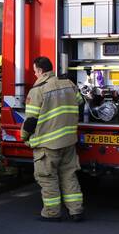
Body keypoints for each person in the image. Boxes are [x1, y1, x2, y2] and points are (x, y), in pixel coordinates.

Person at [20, 56, 84, 222]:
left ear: (41, 71)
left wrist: (24, 136)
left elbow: (31, 120)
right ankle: (76, 211)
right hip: (68, 141)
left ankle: (52, 213)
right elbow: (80, 102)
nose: (35, 75)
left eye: (35, 71)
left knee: (48, 178)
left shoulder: (38, 90)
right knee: (69, 175)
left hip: (47, 145)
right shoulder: (69, 84)